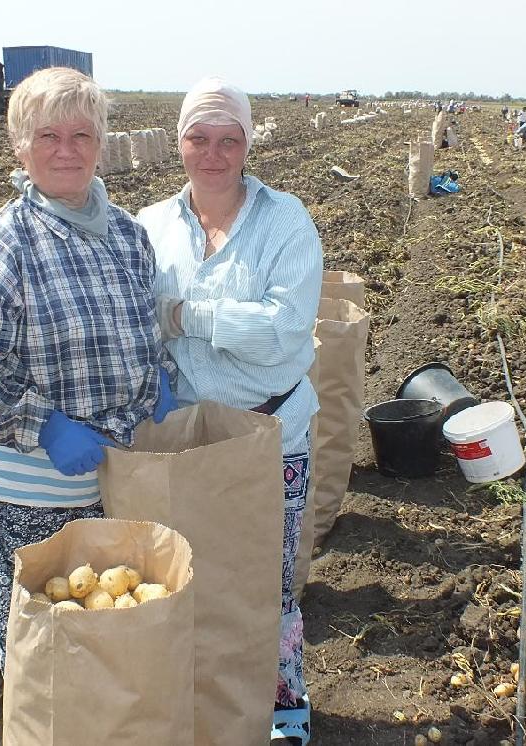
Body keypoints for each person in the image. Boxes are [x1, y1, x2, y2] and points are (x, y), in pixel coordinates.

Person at [0, 66, 176, 668]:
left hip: (118, 480)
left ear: (101, 145)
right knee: (49, 652)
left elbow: (146, 329)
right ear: (19, 146)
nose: (66, 151)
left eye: (81, 135)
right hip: (27, 494)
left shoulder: (128, 235)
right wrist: (44, 425)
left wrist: (161, 381)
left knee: (114, 639)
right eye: (48, 136)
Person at [137, 76, 322, 746]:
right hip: (183, 441)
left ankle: (282, 708)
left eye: (228, 139)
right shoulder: (150, 226)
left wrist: (187, 315)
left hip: (272, 436)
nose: (212, 152)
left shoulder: (284, 221)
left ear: (247, 145)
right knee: (186, 584)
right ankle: (202, 709)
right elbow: (135, 324)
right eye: (198, 137)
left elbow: (284, 328)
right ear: (178, 143)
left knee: (265, 588)